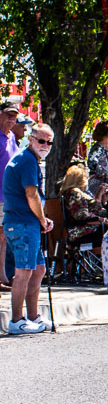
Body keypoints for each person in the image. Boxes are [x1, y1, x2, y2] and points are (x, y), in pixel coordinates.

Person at [2, 122, 55, 334]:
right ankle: (17, 321)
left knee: (38, 269)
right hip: (22, 223)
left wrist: (40, 219)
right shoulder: (27, 161)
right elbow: (31, 194)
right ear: (31, 140)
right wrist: (42, 219)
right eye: (41, 141)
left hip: (27, 222)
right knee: (23, 272)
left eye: (49, 142)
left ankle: (33, 316)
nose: (45, 146)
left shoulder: (28, 159)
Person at [60, 163, 108, 248]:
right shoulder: (75, 193)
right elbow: (82, 215)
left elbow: (96, 210)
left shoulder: (77, 193)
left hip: (87, 227)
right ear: (80, 179)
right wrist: (103, 221)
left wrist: (103, 200)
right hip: (82, 230)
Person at [0, 101, 19, 289]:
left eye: (14, 116)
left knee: (3, 237)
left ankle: (3, 277)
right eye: (8, 114)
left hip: (9, 196)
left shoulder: (12, 137)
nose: (11, 119)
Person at [86, 121, 108, 208]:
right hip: (101, 189)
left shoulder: (107, 150)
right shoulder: (97, 149)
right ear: (107, 134)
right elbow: (91, 162)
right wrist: (101, 173)